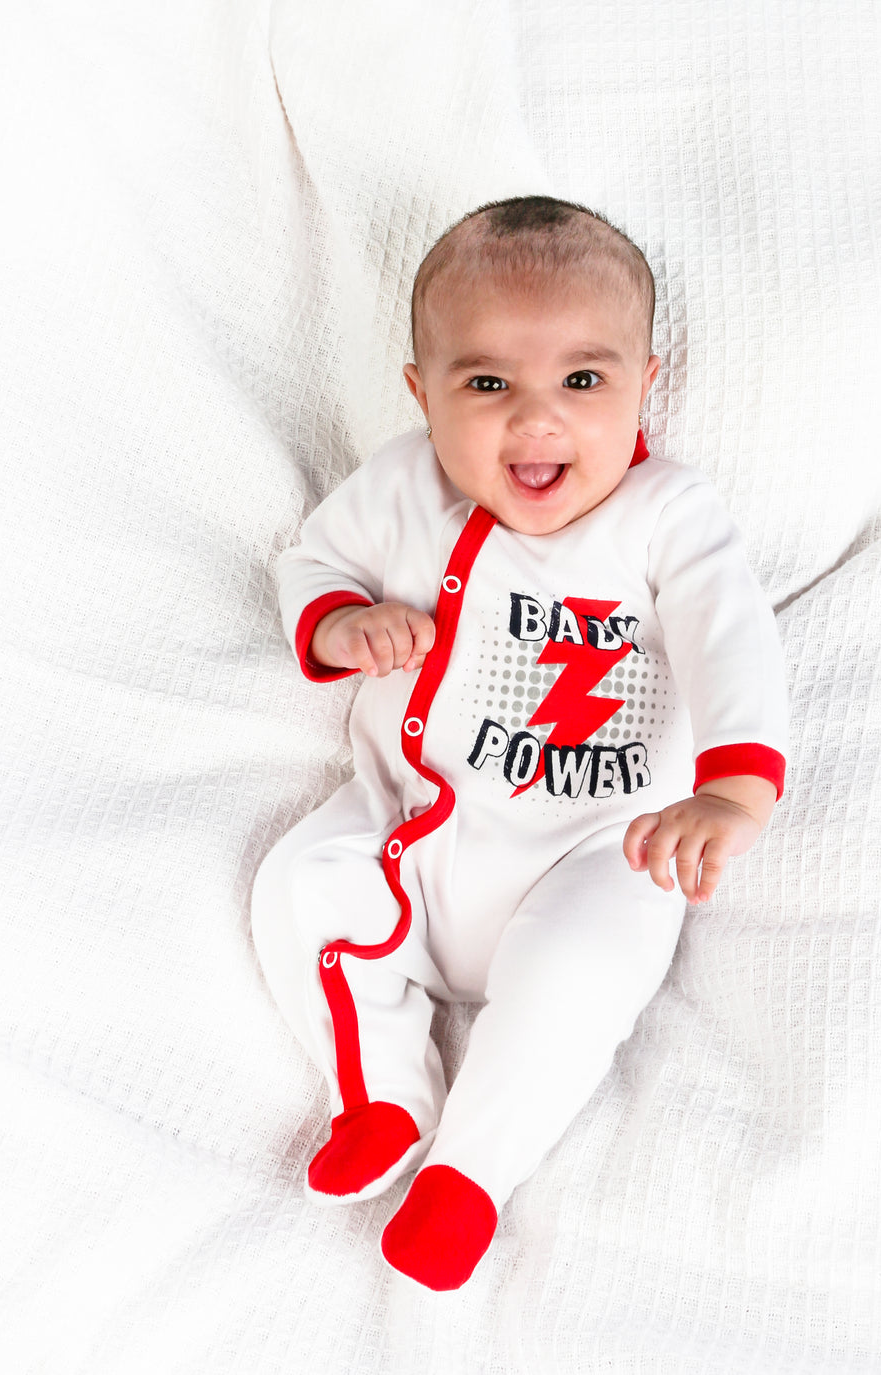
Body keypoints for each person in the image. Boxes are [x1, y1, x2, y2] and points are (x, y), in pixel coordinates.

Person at [250, 194, 789, 1291]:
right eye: (487, 384)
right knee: (298, 885)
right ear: (422, 391)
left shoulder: (664, 516)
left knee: (584, 973)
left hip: (593, 846)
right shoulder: (400, 485)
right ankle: (386, 1096)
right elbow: (306, 560)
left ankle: (468, 1172)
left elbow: (729, 645)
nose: (535, 422)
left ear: (647, 381)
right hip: (412, 816)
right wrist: (342, 621)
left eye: (581, 382)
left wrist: (728, 792)